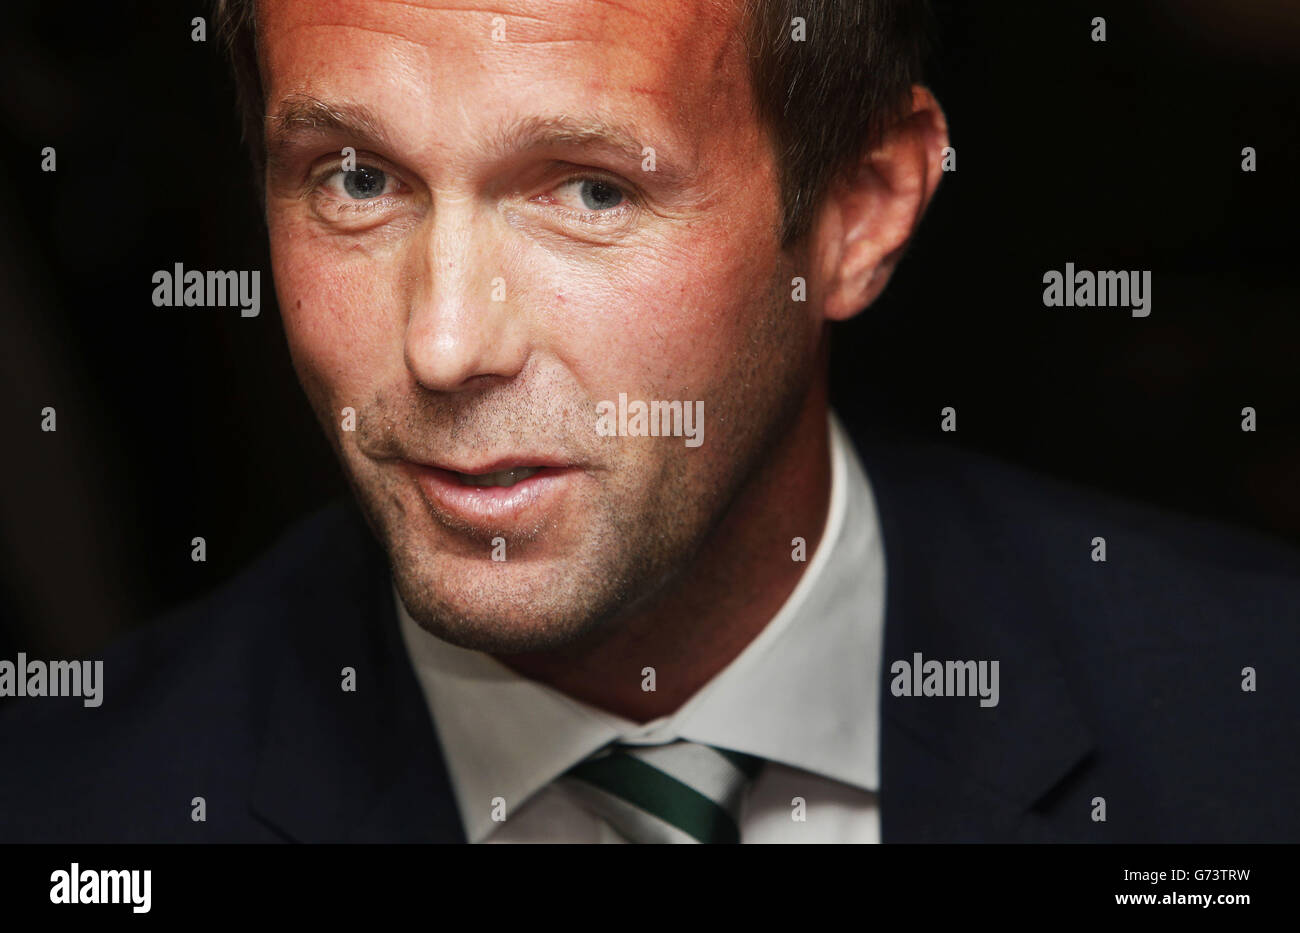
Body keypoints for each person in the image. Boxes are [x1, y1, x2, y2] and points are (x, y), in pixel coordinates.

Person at [2, 0, 1297, 844]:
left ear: (862, 204)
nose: (445, 343)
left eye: (589, 190)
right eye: (357, 178)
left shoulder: (1253, 720)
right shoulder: (70, 815)